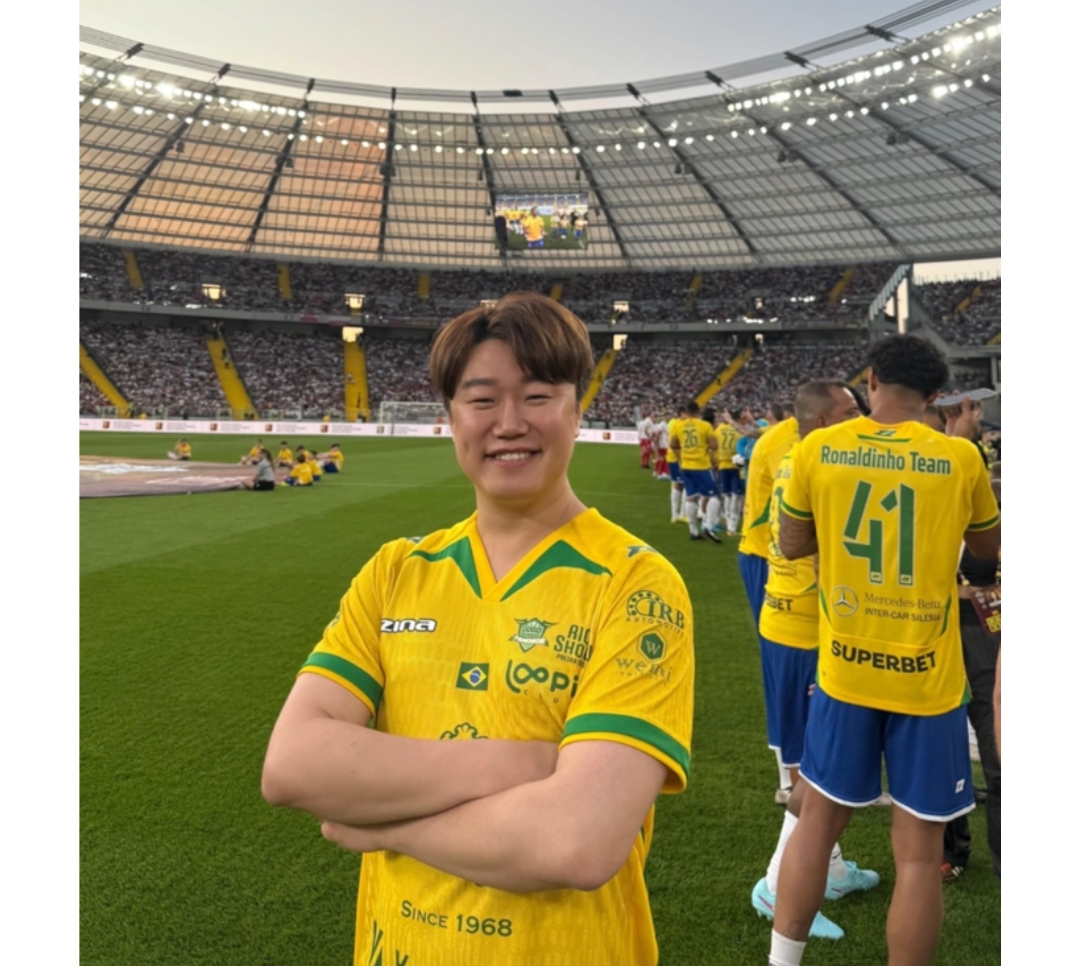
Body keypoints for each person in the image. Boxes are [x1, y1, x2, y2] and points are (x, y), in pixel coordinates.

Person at [261, 291, 695, 966]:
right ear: (451, 417)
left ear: (577, 409)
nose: (510, 423)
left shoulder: (635, 583)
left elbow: (575, 843)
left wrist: (381, 826)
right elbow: (292, 765)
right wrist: (519, 764)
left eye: (538, 396)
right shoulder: (396, 570)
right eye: (483, 399)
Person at [770, 335, 1000, 966]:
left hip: (846, 670)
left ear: (871, 380)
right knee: (920, 855)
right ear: (936, 396)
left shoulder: (818, 447)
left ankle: (781, 962)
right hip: (927, 679)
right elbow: (988, 549)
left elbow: (792, 543)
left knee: (817, 824)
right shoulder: (960, 457)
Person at [751, 381, 877, 941]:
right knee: (818, 770)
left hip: (787, 623)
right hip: (808, 632)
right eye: (851, 411)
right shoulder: (826, 465)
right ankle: (778, 884)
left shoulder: (795, 459)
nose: (862, 417)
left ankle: (831, 870)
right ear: (825, 422)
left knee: (815, 762)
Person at [737, 404, 800, 800]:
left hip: (785, 554)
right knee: (783, 663)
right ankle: (788, 777)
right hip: (769, 556)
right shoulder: (784, 441)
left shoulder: (795, 437)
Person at [669, 401, 720, 542]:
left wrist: (681, 458)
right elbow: (714, 446)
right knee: (714, 496)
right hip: (702, 466)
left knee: (690, 497)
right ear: (699, 411)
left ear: (686, 411)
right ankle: (708, 527)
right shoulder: (705, 425)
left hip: (686, 466)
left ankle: (693, 531)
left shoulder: (678, 425)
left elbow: (673, 444)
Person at [713, 414, 744, 536]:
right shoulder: (739, 430)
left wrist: (716, 460)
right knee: (736, 496)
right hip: (736, 465)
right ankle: (732, 526)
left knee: (726, 495)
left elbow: (714, 446)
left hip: (722, 465)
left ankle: (727, 521)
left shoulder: (719, 429)